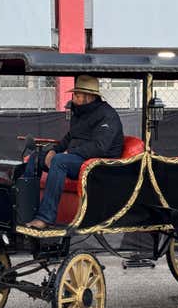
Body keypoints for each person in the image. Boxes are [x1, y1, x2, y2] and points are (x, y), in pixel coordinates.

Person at [24, 75, 124, 229]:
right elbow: (70, 137)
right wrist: (54, 150)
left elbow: (100, 147)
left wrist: (67, 153)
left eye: (77, 95)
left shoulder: (107, 114)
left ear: (89, 96)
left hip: (99, 166)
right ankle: (26, 212)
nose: (73, 98)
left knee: (59, 161)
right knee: (35, 158)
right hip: (78, 160)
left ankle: (45, 218)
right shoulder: (79, 113)